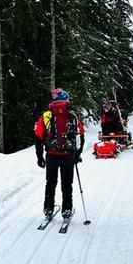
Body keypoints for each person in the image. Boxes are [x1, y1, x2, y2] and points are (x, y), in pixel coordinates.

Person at [34, 88, 85, 220]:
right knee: (67, 184)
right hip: (68, 156)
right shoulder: (73, 116)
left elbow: (38, 138)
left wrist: (40, 157)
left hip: (51, 155)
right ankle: (66, 210)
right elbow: (80, 137)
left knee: (50, 183)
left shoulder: (46, 115)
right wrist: (77, 154)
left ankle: (48, 209)